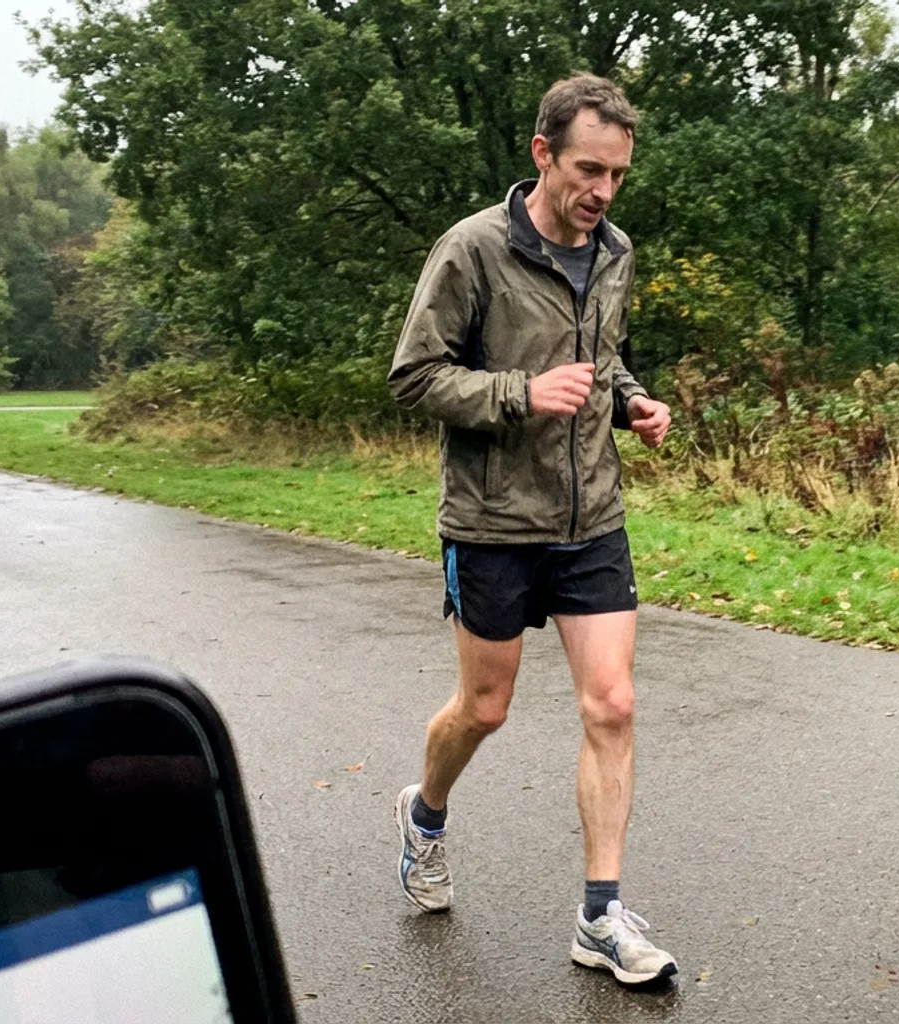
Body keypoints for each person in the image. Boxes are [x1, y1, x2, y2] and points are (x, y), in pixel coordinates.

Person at [386, 72, 677, 987]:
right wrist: (519, 394)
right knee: (485, 709)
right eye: (589, 169)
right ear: (543, 153)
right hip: (492, 521)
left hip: (592, 514)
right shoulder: (471, 252)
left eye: (619, 175)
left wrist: (630, 400)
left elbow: (601, 353)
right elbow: (414, 376)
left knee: (613, 704)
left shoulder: (616, 251)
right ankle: (425, 815)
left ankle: (600, 916)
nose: (603, 191)